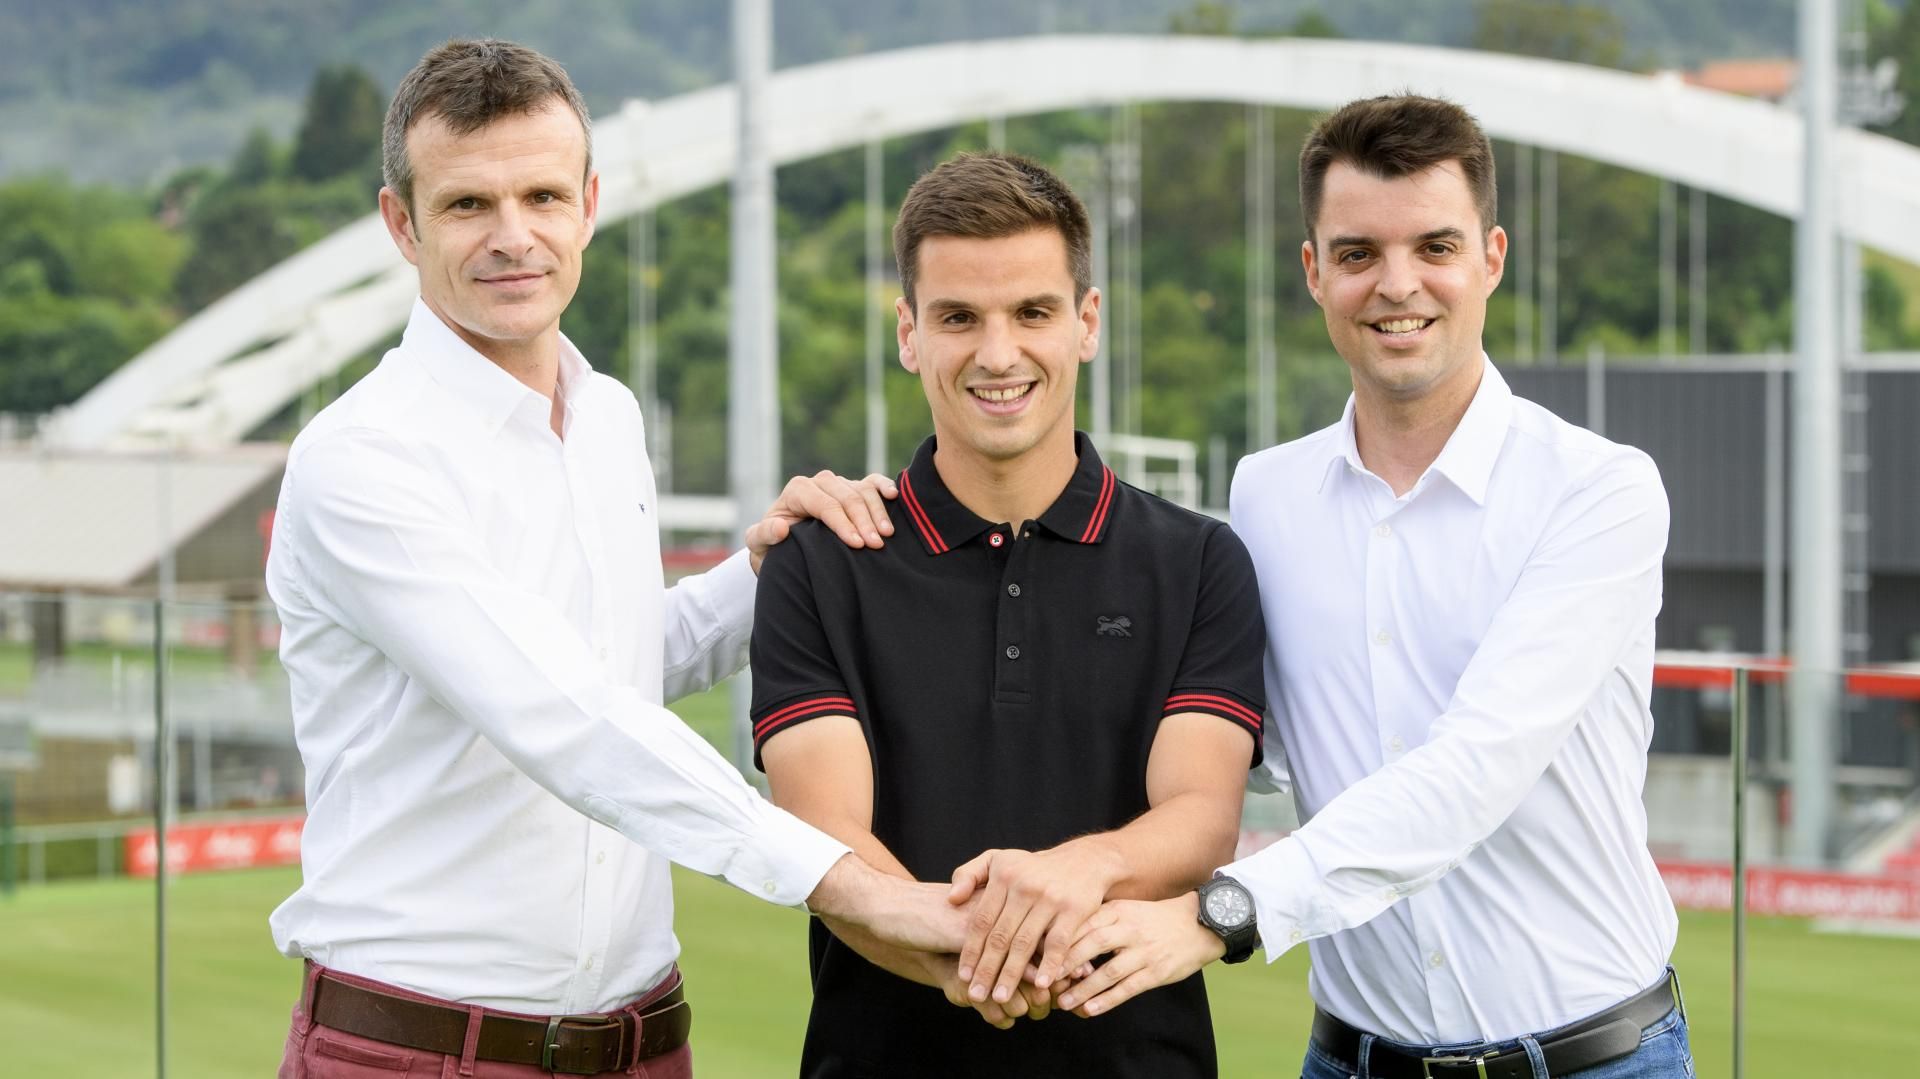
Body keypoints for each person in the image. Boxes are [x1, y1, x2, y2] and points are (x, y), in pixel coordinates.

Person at [266, 40, 965, 1079]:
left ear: (589, 203)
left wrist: (772, 570)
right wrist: (852, 883)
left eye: (544, 195)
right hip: (419, 1050)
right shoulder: (360, 460)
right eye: (468, 206)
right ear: (400, 223)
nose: (515, 237)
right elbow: (564, 718)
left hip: (643, 1042)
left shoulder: (606, 417)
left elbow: (621, 662)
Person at [1054, 95, 1695, 1079]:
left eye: (1434, 246)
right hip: (1350, 1058)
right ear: (1314, 272)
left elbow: (1472, 769)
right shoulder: (1264, 494)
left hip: (1593, 1057)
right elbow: (1218, 737)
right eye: (1358, 254)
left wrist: (1229, 909)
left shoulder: (1599, 489)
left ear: (1491, 256)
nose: (1399, 285)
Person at [747, 151, 1267, 1077]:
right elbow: (827, 838)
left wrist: (1068, 874)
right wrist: (1004, 953)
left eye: (1032, 311)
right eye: (958, 317)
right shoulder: (819, 563)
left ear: (1087, 323)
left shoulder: (1198, 561)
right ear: (908, 332)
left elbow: (1200, 818)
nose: (997, 354)